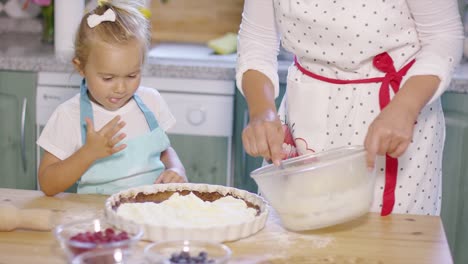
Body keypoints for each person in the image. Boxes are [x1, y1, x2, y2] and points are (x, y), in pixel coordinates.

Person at [236, 0, 463, 216]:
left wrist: (405, 107)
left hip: (395, 115)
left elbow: (443, 36)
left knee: (389, 243)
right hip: (305, 114)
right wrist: (262, 112)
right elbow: (257, 40)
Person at [37, 0, 187, 196]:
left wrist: (176, 169)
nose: (121, 88)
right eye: (108, 78)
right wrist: (87, 153)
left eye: (132, 75)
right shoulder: (69, 115)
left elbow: (164, 150)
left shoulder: (151, 101)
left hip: (150, 211)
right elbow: (47, 184)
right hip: (97, 218)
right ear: (80, 67)